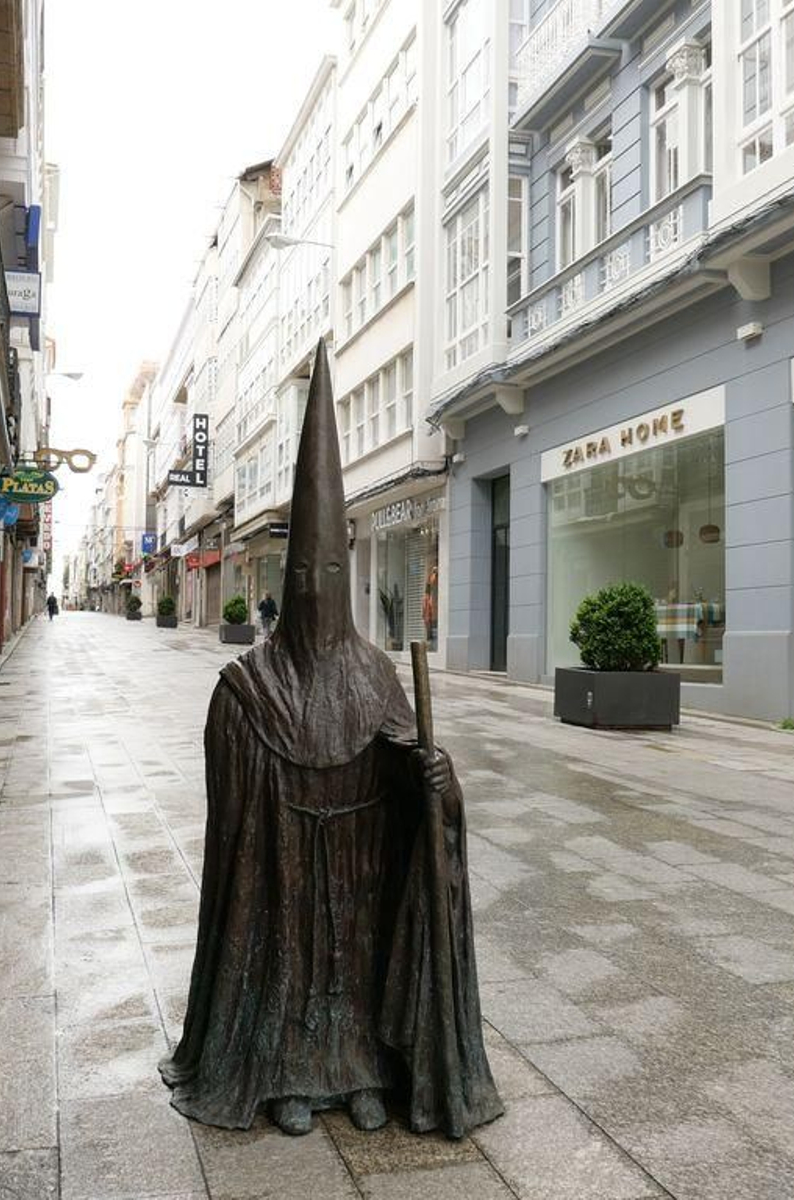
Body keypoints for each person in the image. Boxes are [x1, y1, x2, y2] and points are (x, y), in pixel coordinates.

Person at [159, 341, 502, 1141]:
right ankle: (284, 1074)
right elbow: (228, 825)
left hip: (359, 861)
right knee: (287, 957)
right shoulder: (246, 686)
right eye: (305, 577)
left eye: (330, 576)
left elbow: (416, 772)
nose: (318, 590)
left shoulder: (376, 673)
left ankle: (359, 1071)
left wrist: (437, 780)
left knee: (353, 959)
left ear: (345, 581)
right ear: (290, 584)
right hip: (281, 862)